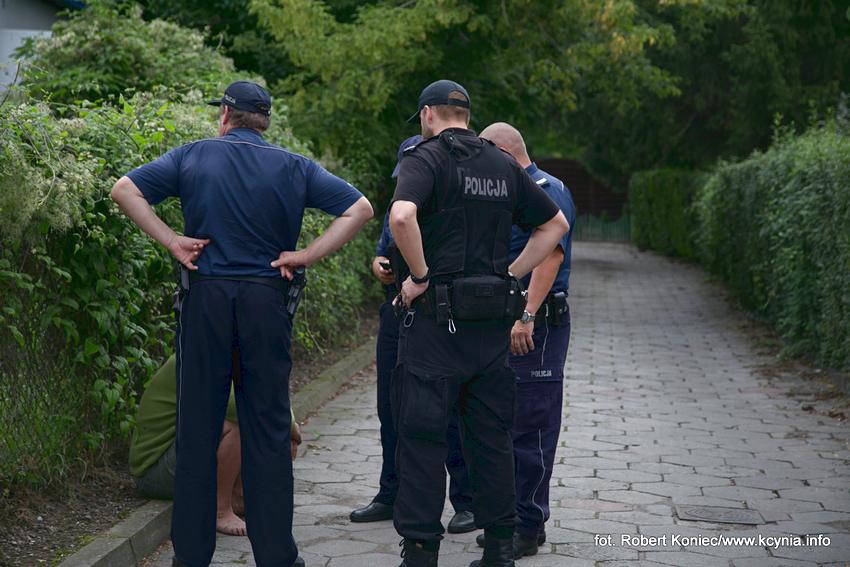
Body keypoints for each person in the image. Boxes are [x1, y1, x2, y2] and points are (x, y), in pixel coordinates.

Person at [111, 80, 372, 567]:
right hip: (265, 301)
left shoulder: (191, 155)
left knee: (197, 428)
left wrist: (172, 240)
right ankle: (276, 555)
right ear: (265, 121)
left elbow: (124, 188)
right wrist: (306, 254)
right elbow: (361, 208)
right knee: (268, 428)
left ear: (225, 116)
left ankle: (191, 557)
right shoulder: (295, 166)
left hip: (205, 298)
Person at [389, 79, 569, 567]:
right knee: (491, 439)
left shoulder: (424, 158)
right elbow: (555, 227)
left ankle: (422, 552)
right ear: (467, 114)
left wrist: (420, 277)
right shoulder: (501, 163)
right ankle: (499, 550)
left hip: (435, 326)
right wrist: (510, 276)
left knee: (424, 437)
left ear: (429, 115)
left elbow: (402, 217)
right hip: (490, 328)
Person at [349, 136, 476, 534]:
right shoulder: (398, 204)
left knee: (451, 410)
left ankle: (465, 502)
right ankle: (391, 492)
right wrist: (378, 265)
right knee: (391, 406)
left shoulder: (454, 205)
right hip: (397, 314)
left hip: (442, 316)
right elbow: (381, 248)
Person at [476, 123, 576, 559]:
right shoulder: (510, 189)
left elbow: (551, 255)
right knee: (505, 424)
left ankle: (529, 524)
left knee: (531, 425)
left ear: (501, 150)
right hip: (508, 321)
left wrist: (526, 316)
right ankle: (514, 518)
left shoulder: (545, 188)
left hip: (535, 322)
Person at [129, 350, 302, 538]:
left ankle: (237, 497)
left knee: (253, 425)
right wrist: (288, 426)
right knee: (238, 427)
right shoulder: (196, 357)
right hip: (155, 472)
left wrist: (288, 424)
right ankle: (220, 511)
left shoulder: (226, 353)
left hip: (181, 459)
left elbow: (269, 388)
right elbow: (242, 406)